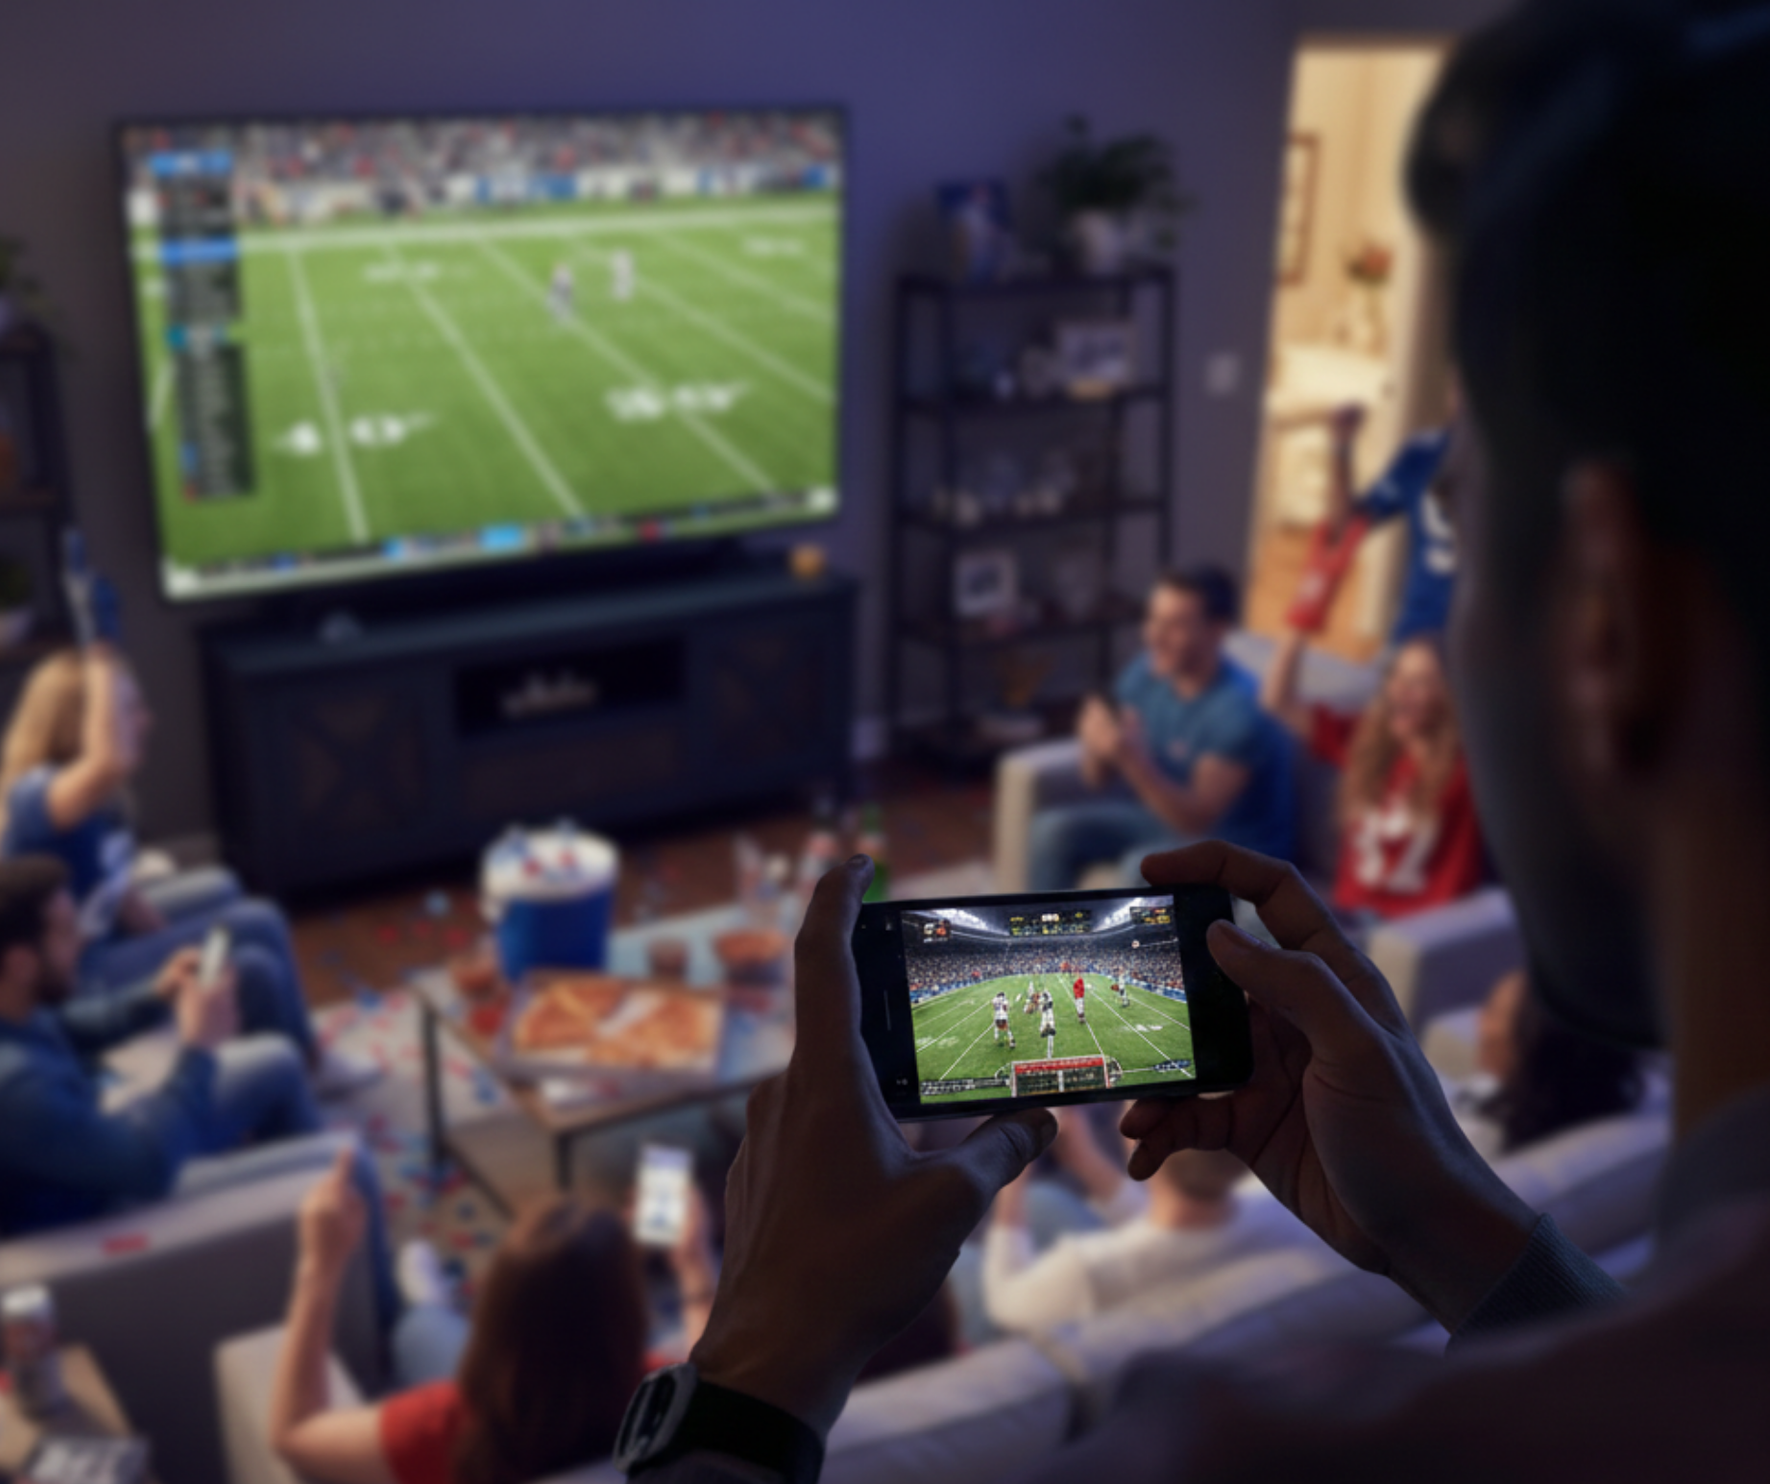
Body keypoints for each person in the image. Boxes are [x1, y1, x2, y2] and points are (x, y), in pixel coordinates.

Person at [622, 6, 1770, 1479]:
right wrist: (1464, 1233)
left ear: (1611, 617)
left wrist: (754, 1363)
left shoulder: (1238, 1454)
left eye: (1457, 533)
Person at [0, 858, 394, 1330]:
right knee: (352, 1168)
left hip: (85, 1145)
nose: (84, 940)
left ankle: (301, 1253)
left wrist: (155, 996)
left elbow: (60, 1025)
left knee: (280, 1064)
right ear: (21, 962)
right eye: (67, 934)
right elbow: (146, 1167)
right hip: (98, 1210)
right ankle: (390, 1322)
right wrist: (197, 1047)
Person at [0, 643, 371, 1094]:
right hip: (77, 980)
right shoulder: (40, 797)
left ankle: (276, 1043)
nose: (146, 720)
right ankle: (309, 1065)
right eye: (129, 709)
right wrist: (101, 664)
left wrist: (175, 948)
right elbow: (111, 759)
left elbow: (116, 888)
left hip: (101, 942)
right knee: (258, 924)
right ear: (82, 724)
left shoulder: (85, 800)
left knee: (224, 888)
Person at [271, 1166, 718, 1484]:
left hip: (480, 1390)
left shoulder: (444, 1427)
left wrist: (319, 1267)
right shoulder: (671, 1404)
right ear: (630, 1318)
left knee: (417, 1331)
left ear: (496, 1314)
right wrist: (694, 1263)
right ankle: (432, 1301)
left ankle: (430, 1302)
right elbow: (721, 1372)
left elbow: (293, 1431)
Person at [1026, 568, 1295, 891]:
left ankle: (1119, 942)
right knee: (1050, 831)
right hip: (1163, 821)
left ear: (1217, 631)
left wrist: (1132, 759)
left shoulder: (1239, 710)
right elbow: (1096, 780)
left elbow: (1195, 822)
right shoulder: (1147, 673)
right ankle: (1047, 941)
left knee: (1141, 866)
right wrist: (1095, 743)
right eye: (1153, 620)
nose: (1155, 636)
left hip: (1240, 848)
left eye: (1175, 625)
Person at [1263, 628, 1485, 920]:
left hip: (1419, 936)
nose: (1401, 690)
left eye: (1419, 681)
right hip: (1346, 919)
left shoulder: (1471, 768)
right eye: (1397, 676)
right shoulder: (1366, 742)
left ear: (1451, 692)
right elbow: (1278, 702)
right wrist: (1303, 621)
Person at [982, 1139, 1312, 1334]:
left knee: (974, 1256)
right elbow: (1168, 1234)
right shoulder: (1292, 1211)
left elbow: (1004, 1304)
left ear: (1137, 1142)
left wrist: (1015, 1176)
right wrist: (1083, 1157)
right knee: (1045, 1202)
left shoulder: (1088, 1274)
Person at [1451, 968, 1647, 1162]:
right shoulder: (1620, 1099)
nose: (1478, 1021)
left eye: (1491, 1011)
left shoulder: (1468, 1145)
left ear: (1531, 1048)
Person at [1323, 399, 1459, 647]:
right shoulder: (1421, 454)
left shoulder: (1525, 465)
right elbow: (1346, 526)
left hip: (1484, 656)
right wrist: (1341, 446)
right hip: (1415, 634)